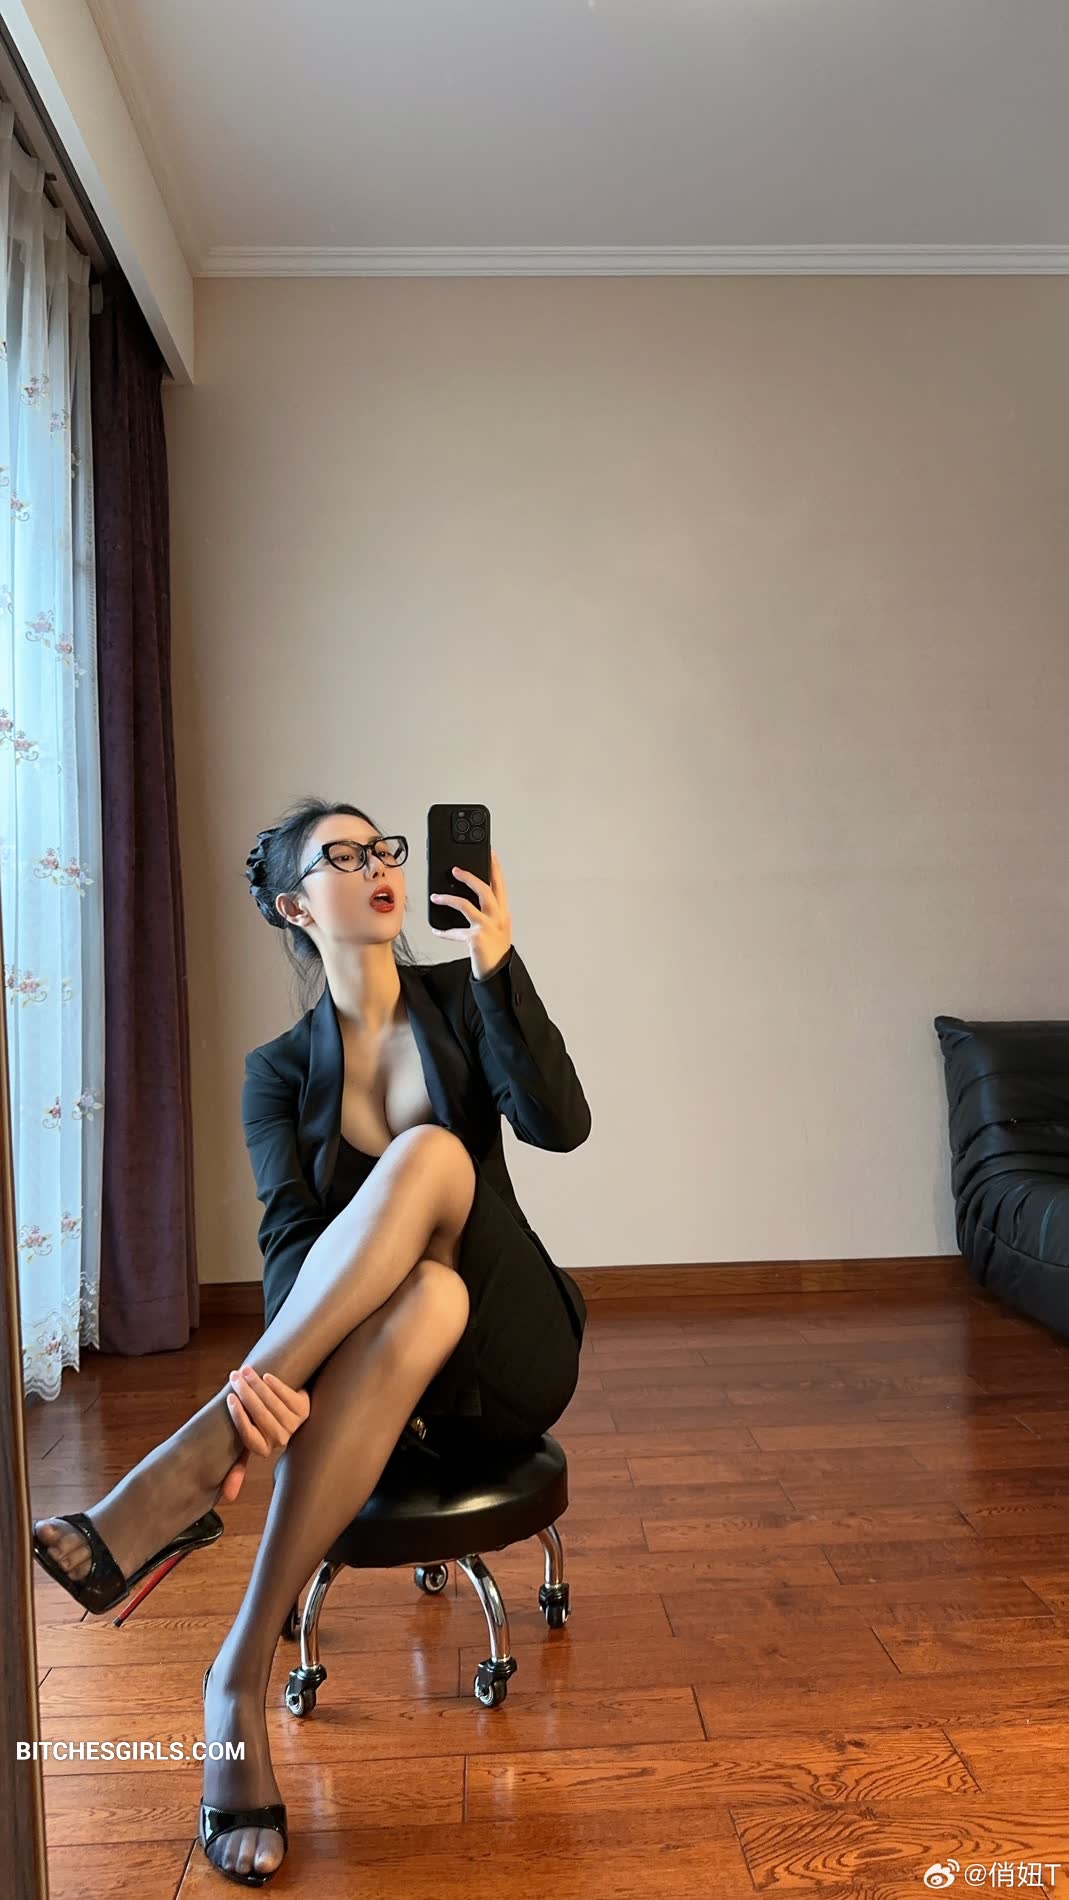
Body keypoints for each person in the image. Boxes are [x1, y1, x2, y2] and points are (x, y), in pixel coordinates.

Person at [31, 796, 591, 1886]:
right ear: (294, 906)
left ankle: (195, 1455)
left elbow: (558, 1126)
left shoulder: (462, 997)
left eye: (382, 848)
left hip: (510, 1355)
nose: (377, 865)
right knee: (423, 1295)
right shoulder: (278, 1072)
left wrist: (496, 962)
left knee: (432, 1157)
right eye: (342, 856)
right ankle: (235, 1677)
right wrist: (290, 1382)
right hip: (388, 1385)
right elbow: (290, 1244)